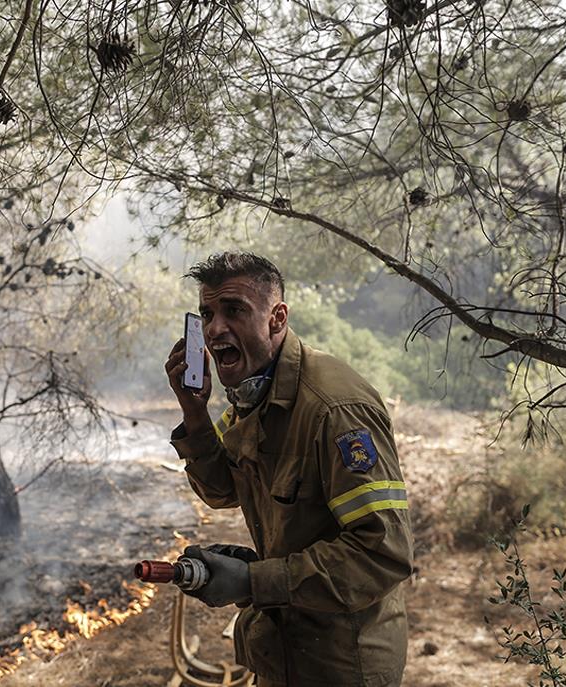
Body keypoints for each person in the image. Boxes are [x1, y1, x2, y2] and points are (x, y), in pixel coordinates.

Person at [164, 252, 414, 687]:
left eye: (234, 310)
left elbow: (383, 553)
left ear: (277, 318)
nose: (215, 329)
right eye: (207, 314)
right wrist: (195, 412)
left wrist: (254, 580)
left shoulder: (335, 409)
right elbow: (222, 490)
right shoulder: (256, 394)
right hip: (284, 654)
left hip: (341, 667)